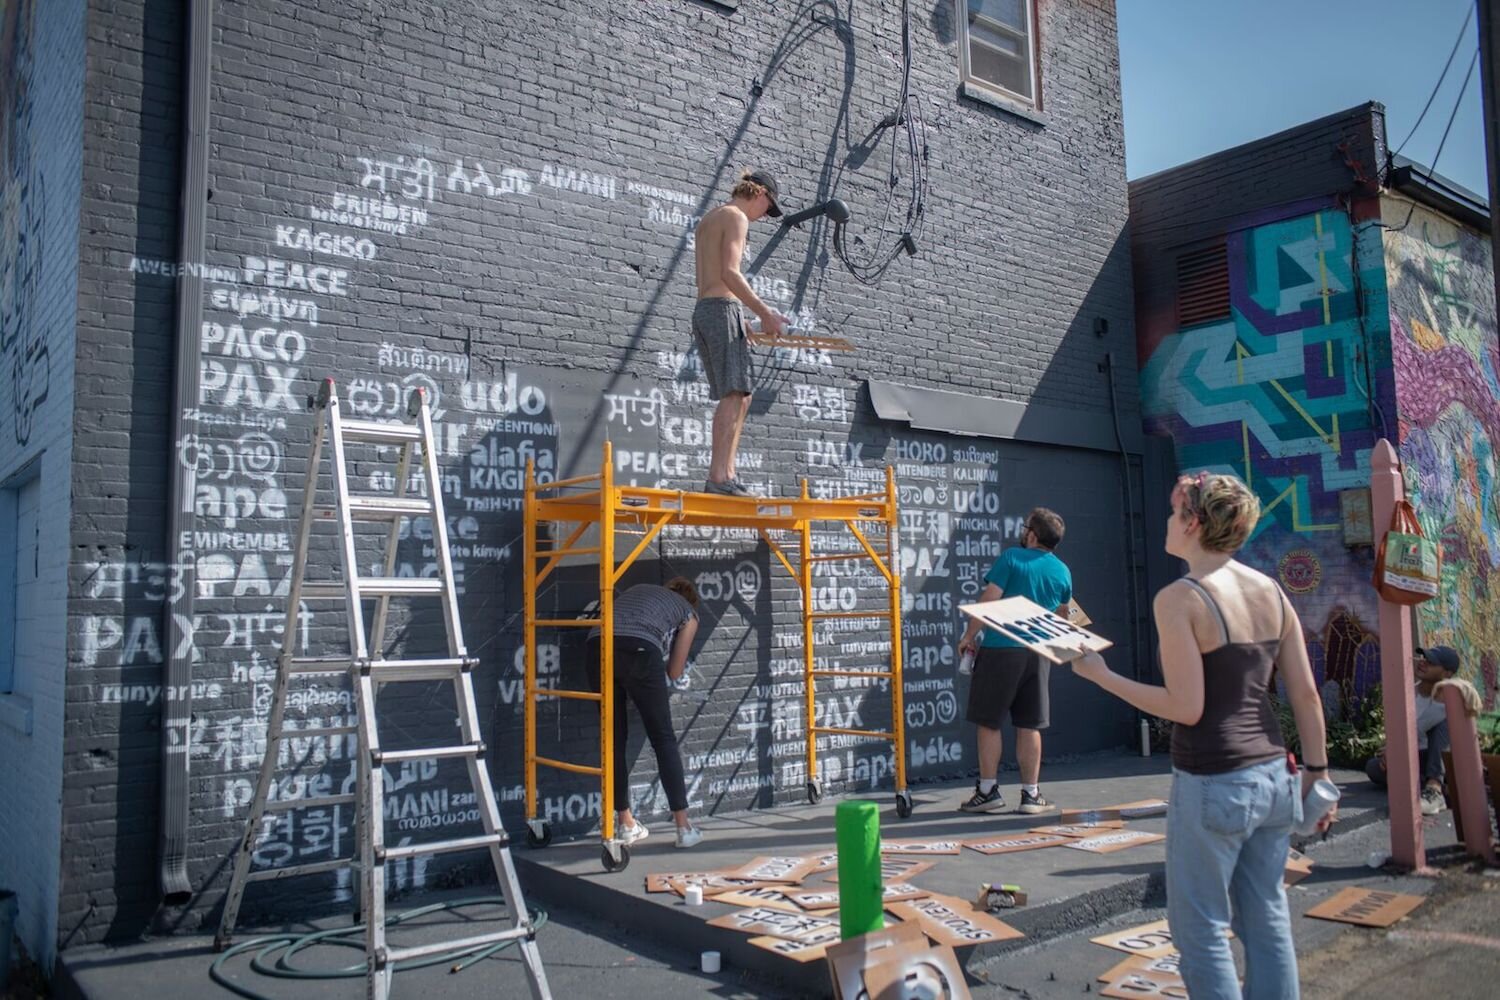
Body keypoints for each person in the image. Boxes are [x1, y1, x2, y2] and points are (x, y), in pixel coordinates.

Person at [1069, 471, 1332, 1000]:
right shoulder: (1271, 592)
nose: (1167, 522)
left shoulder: (1180, 599)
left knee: (1201, 929)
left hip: (1215, 782)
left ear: (1192, 523)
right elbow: (1305, 695)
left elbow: (1186, 708)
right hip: (1276, 777)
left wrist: (1103, 676)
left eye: (1172, 514)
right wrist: (1320, 777)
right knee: (1266, 917)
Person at [956, 507, 1072, 815]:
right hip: (1038, 654)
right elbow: (1064, 615)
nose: (1022, 531)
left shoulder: (1011, 558)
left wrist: (968, 636)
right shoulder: (1062, 571)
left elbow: (989, 599)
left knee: (988, 722)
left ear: (1032, 535)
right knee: (1029, 724)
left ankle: (987, 792)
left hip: (1000, 650)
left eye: (1025, 527)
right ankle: (1031, 796)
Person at [587, 578, 704, 848]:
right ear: (690, 598)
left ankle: (626, 823)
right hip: (638, 650)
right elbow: (674, 672)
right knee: (663, 739)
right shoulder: (688, 612)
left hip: (595, 646)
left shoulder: (637, 589)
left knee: (613, 740)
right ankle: (684, 829)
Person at [691, 170, 787, 497]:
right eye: (767, 206)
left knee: (740, 395)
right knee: (735, 394)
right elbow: (730, 273)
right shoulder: (736, 217)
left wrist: (740, 317)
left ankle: (727, 473)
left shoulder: (710, 217)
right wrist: (765, 314)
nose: (764, 215)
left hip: (708, 309)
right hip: (720, 309)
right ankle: (719, 477)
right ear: (758, 193)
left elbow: (713, 279)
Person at [1364, 645, 1459, 815]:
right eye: (1423, 658)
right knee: (1373, 767)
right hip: (1415, 756)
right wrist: (1391, 750)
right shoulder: (1407, 693)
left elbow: (1420, 730)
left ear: (1447, 673)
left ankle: (1434, 789)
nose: (1423, 663)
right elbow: (1400, 730)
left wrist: (1396, 748)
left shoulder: (1450, 696)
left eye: (1431, 662)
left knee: (1443, 724)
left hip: (1441, 758)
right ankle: (1430, 786)